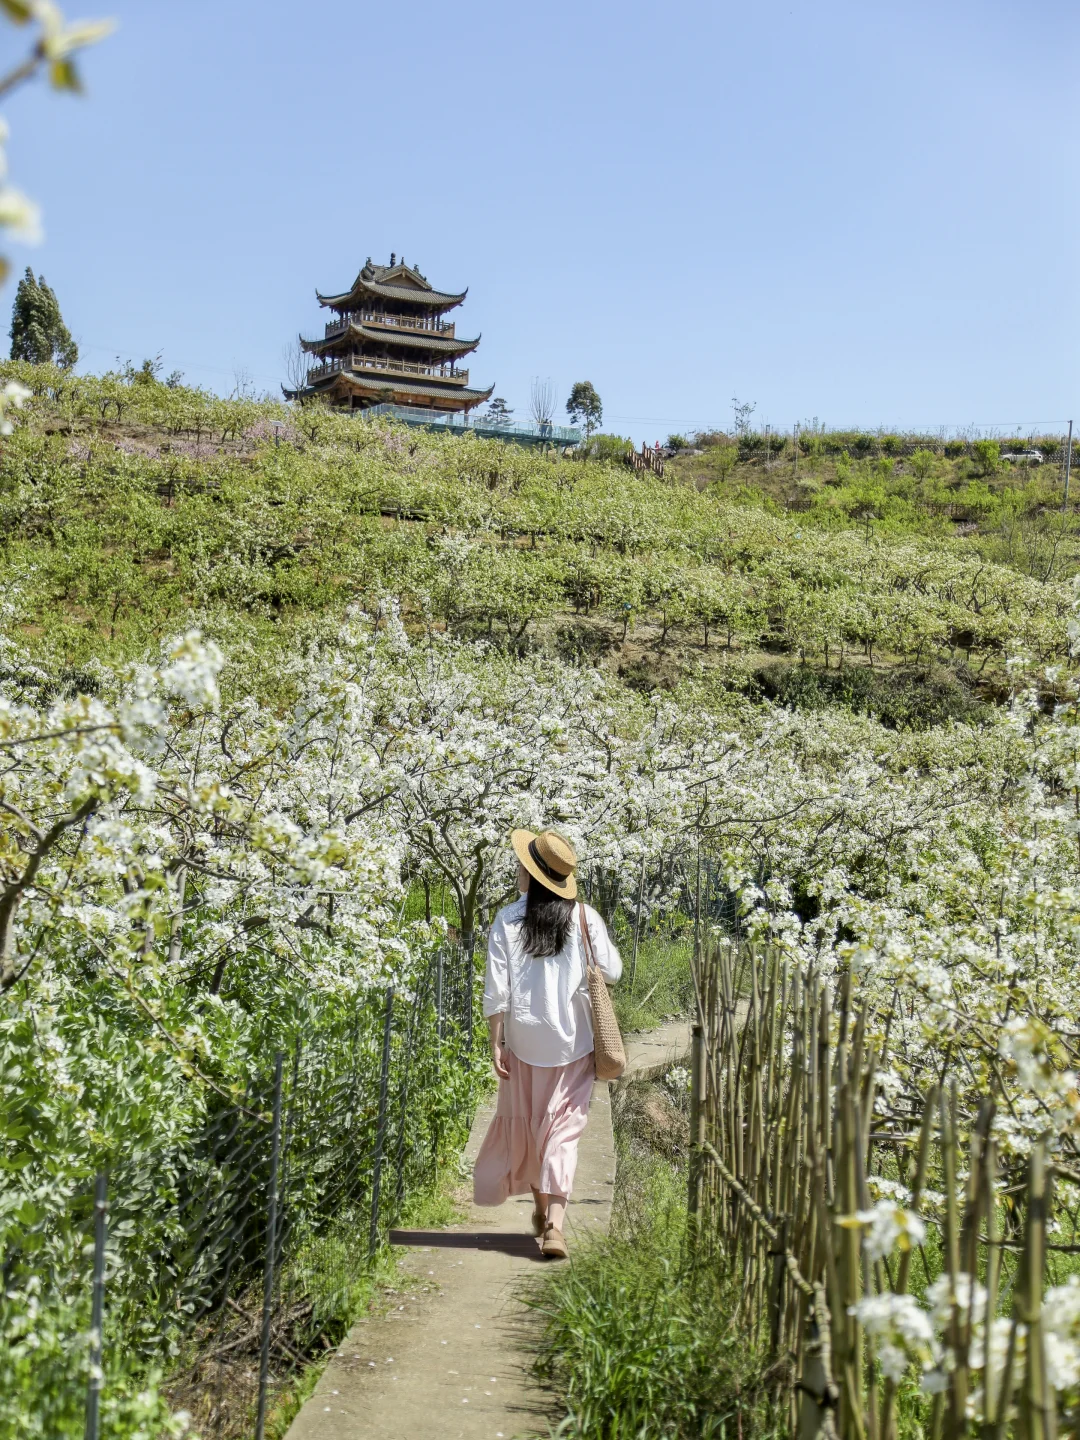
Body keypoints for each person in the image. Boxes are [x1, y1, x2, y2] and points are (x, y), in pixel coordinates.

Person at [472, 829, 622, 1259]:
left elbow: (496, 988)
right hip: (573, 1043)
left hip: (523, 1043)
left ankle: (541, 1212)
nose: (517, 870)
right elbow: (612, 971)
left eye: (522, 865)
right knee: (562, 1132)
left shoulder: (508, 919)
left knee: (533, 1127)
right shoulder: (583, 917)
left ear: (534, 875)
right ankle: (555, 1226)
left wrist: (495, 1041)